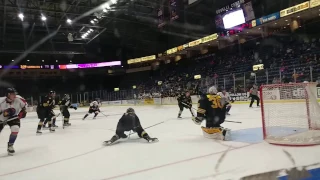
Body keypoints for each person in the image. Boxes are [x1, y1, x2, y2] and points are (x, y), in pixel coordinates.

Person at [0, 88, 27, 155]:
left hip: (14, 117)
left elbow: (25, 106)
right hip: (2, 117)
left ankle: (10, 145)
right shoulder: (1, 101)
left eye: (15, 94)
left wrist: (22, 112)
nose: (14, 95)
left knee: (15, 128)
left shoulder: (19, 99)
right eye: (12, 94)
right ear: (8, 95)